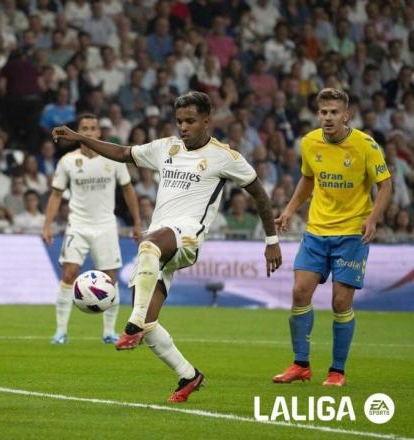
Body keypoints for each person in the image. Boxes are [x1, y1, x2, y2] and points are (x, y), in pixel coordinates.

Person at [52, 92, 281, 402]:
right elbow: (121, 153)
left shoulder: (225, 156)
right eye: (179, 121)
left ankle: (131, 324)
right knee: (149, 321)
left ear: (206, 120)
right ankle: (188, 375)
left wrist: (271, 240)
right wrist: (79, 137)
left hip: (187, 236)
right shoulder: (166, 148)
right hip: (161, 239)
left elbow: (260, 196)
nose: (183, 127)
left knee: (147, 251)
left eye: (190, 121)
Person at [272, 88, 393, 387]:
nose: (328, 117)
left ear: (346, 115)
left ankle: (337, 371)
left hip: (351, 233)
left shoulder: (365, 145)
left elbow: (386, 186)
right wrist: (289, 209)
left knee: (341, 302)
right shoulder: (310, 142)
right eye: (323, 112)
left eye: (334, 112)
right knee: (300, 292)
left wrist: (373, 219)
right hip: (316, 231)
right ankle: (300, 365)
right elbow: (308, 178)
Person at [43, 113, 142, 345]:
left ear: (99, 133)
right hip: (77, 225)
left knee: (110, 278)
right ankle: (60, 331)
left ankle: (108, 332)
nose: (88, 132)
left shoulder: (113, 159)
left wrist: (137, 222)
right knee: (68, 274)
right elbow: (56, 194)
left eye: (93, 128)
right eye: (84, 128)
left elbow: (128, 189)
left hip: (106, 225)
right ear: (78, 132)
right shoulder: (67, 161)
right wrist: (47, 225)